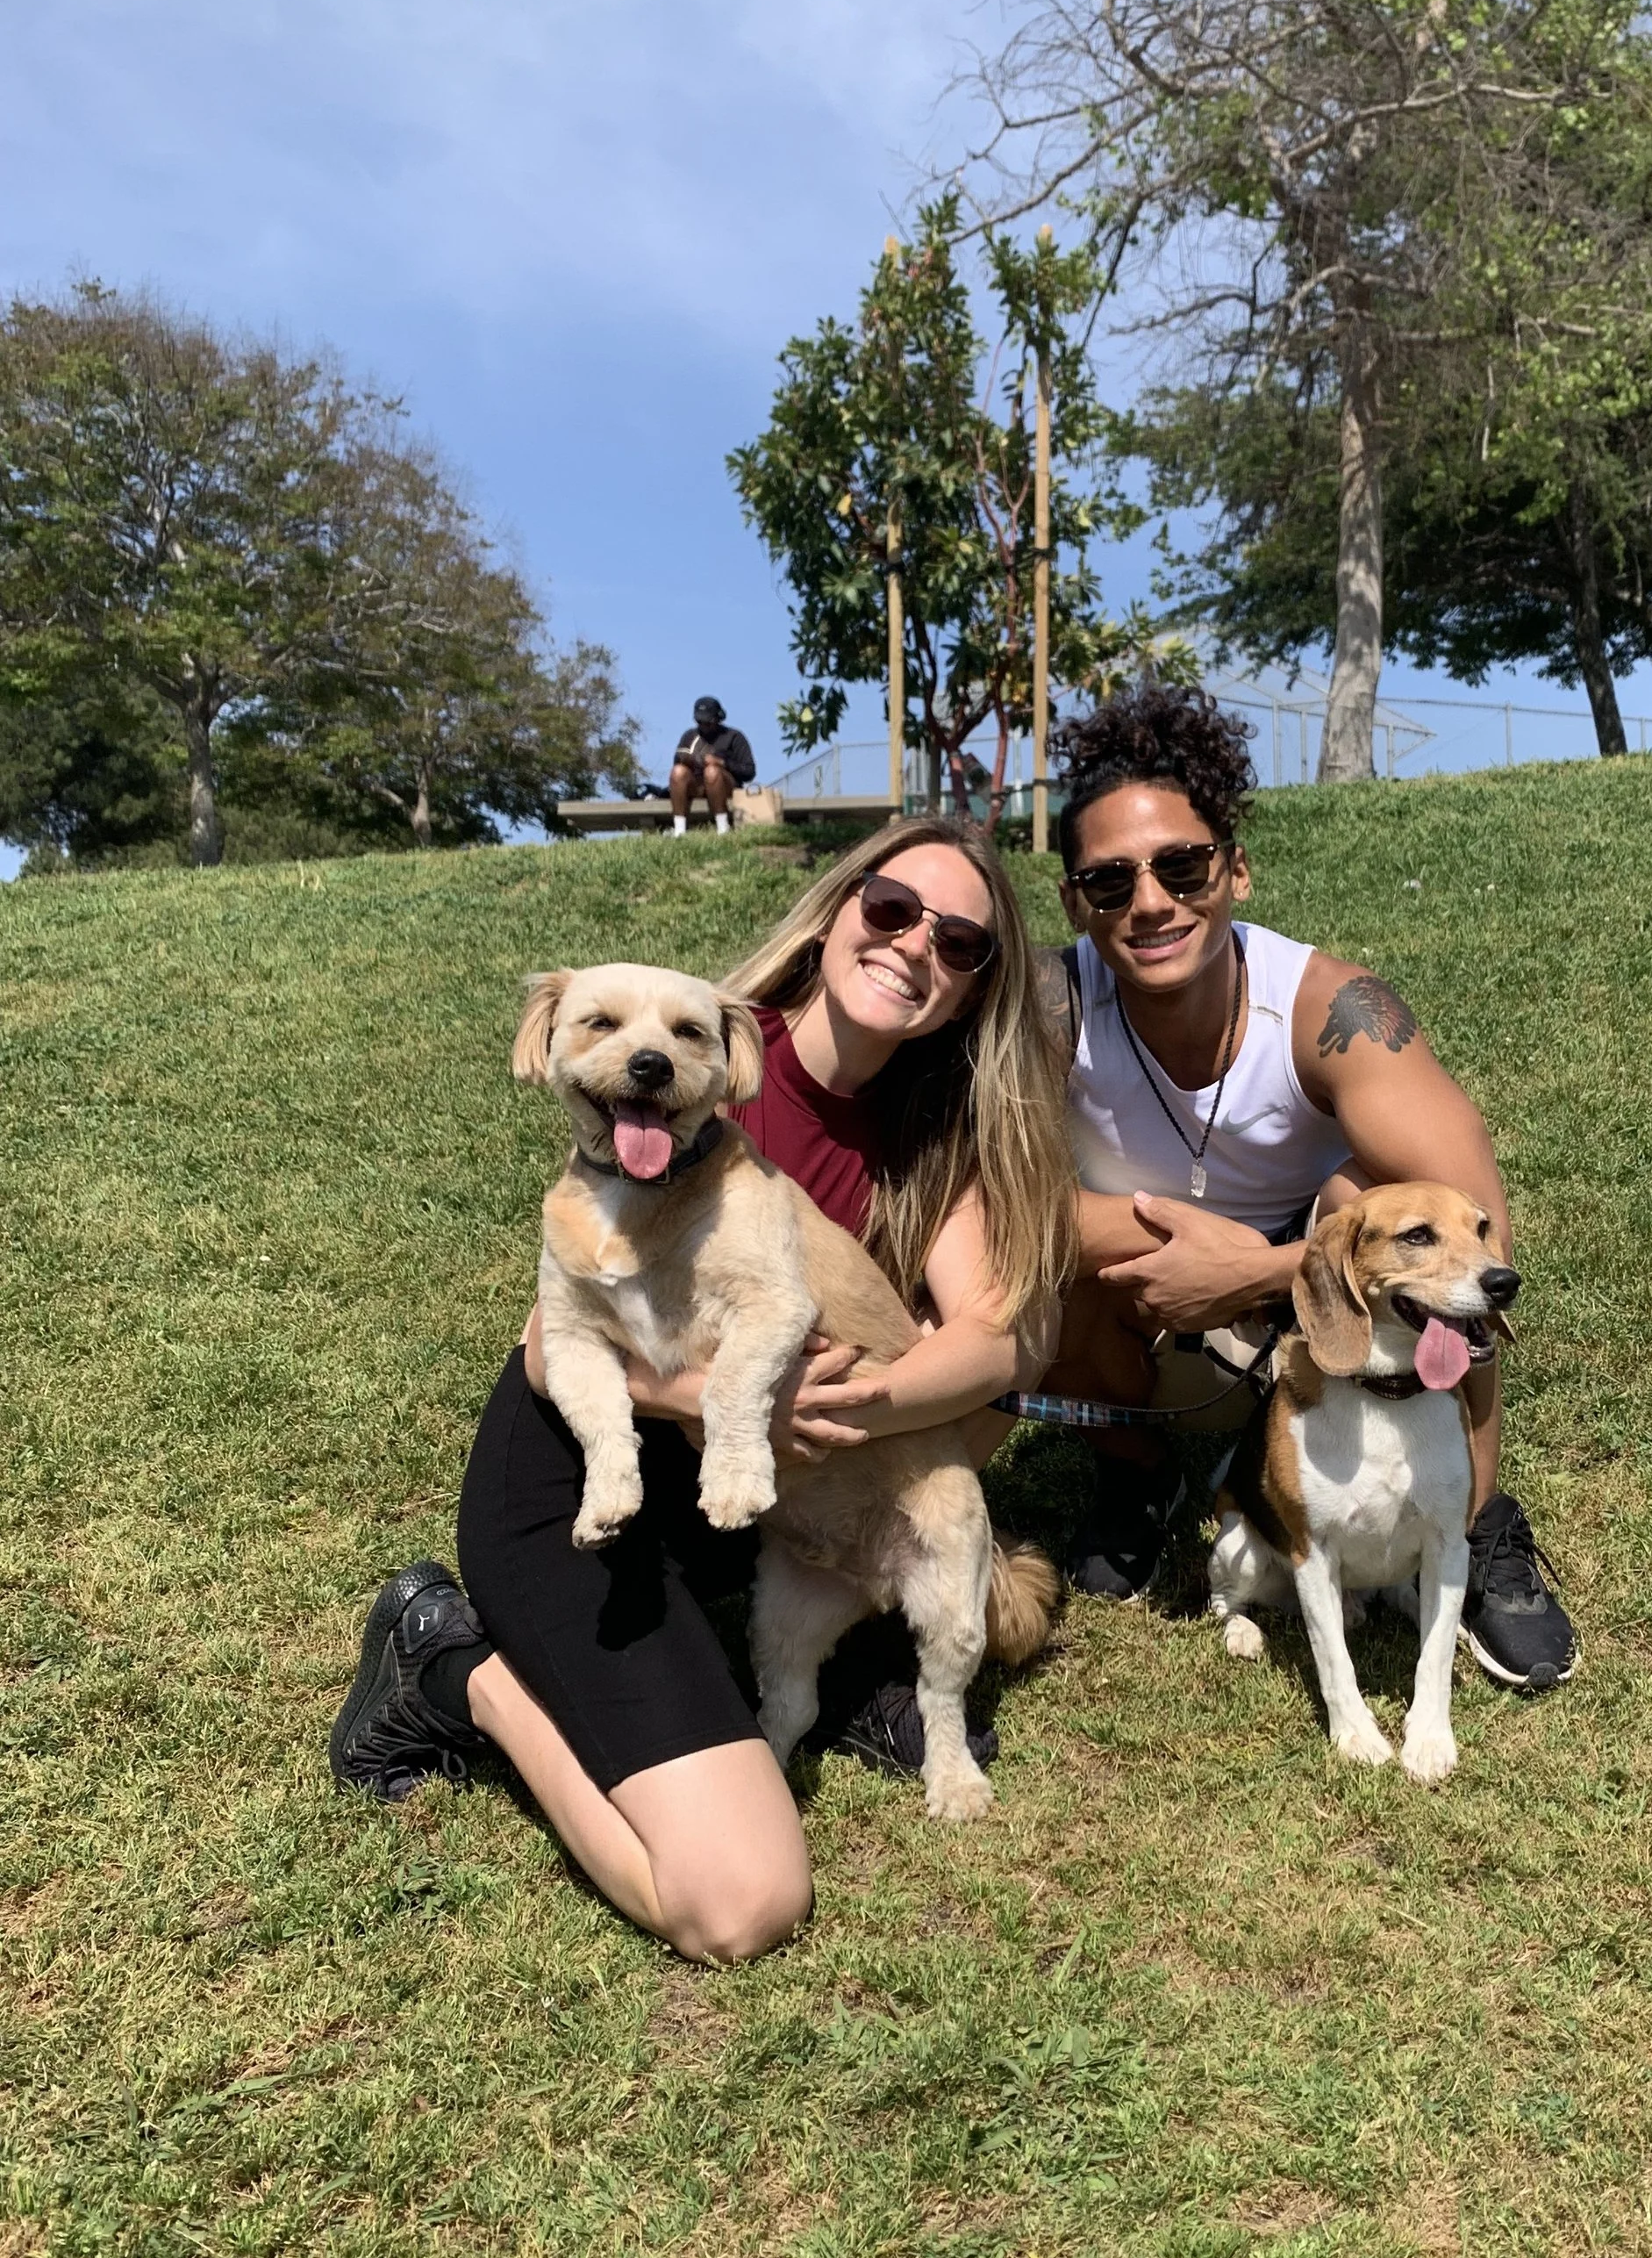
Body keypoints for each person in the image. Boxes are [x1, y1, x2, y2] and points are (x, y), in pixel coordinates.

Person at [330, 818, 1074, 1961]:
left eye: (961, 940)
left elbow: (996, 1347)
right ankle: (446, 1665)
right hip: (583, 1488)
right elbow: (550, 1348)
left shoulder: (940, 1121)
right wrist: (718, 1405)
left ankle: (805, 1663)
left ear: (979, 983)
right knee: (741, 1904)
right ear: (834, 913)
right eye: (890, 909)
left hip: (747, 1514)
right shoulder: (680, 1064)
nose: (917, 945)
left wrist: (850, 1409)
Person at [1036, 683, 1576, 1692]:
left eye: (1182, 865)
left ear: (1234, 867)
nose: (1149, 901)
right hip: (1154, 1317)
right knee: (1048, 1246)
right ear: (1073, 899)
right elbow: (983, 1209)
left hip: (1327, 1324)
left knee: (1390, 1198)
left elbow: (1477, 1238)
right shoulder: (1047, 1007)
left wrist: (1267, 1266)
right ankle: (1138, 1487)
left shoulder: (1333, 1006)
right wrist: (1141, 1239)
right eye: (1109, 882)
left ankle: (1473, 1522)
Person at [668, 695, 756, 835]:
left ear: (718, 718)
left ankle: (723, 828)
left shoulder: (734, 736)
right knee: (678, 772)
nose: (704, 726)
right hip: (696, 784)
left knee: (712, 772)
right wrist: (689, 761)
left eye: (708, 722)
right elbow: (677, 762)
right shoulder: (690, 736)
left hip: (725, 786)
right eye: (700, 721)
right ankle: (679, 830)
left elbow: (749, 771)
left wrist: (722, 763)